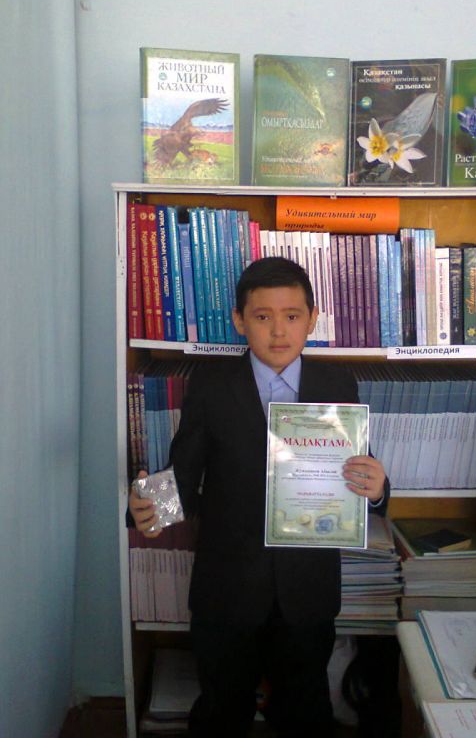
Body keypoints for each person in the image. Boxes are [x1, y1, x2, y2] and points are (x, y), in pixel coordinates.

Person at [129, 256, 389, 738]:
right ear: (239, 320)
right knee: (222, 709)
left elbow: (358, 471)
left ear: (312, 319)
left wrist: (376, 490)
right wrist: (147, 507)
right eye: (262, 316)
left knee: (305, 709)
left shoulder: (336, 384)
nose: (278, 331)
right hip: (228, 586)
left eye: (292, 315)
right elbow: (184, 475)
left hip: (307, 588)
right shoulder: (211, 385)